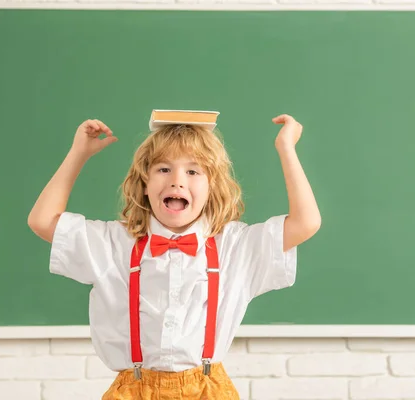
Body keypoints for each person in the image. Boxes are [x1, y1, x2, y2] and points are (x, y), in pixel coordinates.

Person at [27, 114, 321, 399]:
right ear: (144, 184)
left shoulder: (236, 246)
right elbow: (42, 220)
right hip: (134, 389)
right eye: (163, 169)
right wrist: (79, 153)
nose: (177, 181)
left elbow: (305, 223)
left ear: (211, 187)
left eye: (193, 171)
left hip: (208, 390)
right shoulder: (113, 244)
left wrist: (286, 149)